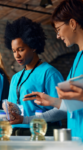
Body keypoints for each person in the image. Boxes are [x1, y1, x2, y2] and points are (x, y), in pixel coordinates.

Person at [24, 0, 83, 141]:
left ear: (73, 24)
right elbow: (73, 105)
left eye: (58, 29)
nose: (57, 36)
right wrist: (51, 101)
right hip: (76, 139)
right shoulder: (77, 59)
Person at [3, 16, 66, 136]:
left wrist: (26, 120)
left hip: (41, 134)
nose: (17, 55)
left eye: (20, 50)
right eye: (14, 51)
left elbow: (62, 111)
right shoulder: (16, 78)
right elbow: (16, 111)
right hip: (16, 134)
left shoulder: (49, 73)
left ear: (33, 46)